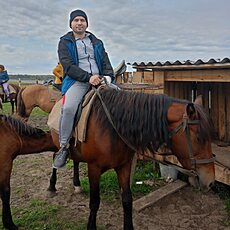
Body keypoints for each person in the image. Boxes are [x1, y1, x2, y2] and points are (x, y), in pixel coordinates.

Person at [53, 9, 114, 169]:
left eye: (82, 20)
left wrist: (107, 77)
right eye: (76, 20)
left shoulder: (97, 42)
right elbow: (68, 66)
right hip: (77, 81)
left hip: (100, 80)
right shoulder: (65, 42)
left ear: (86, 23)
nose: (79, 23)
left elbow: (106, 62)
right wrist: (88, 77)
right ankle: (64, 147)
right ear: (71, 23)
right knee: (68, 108)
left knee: (125, 100)